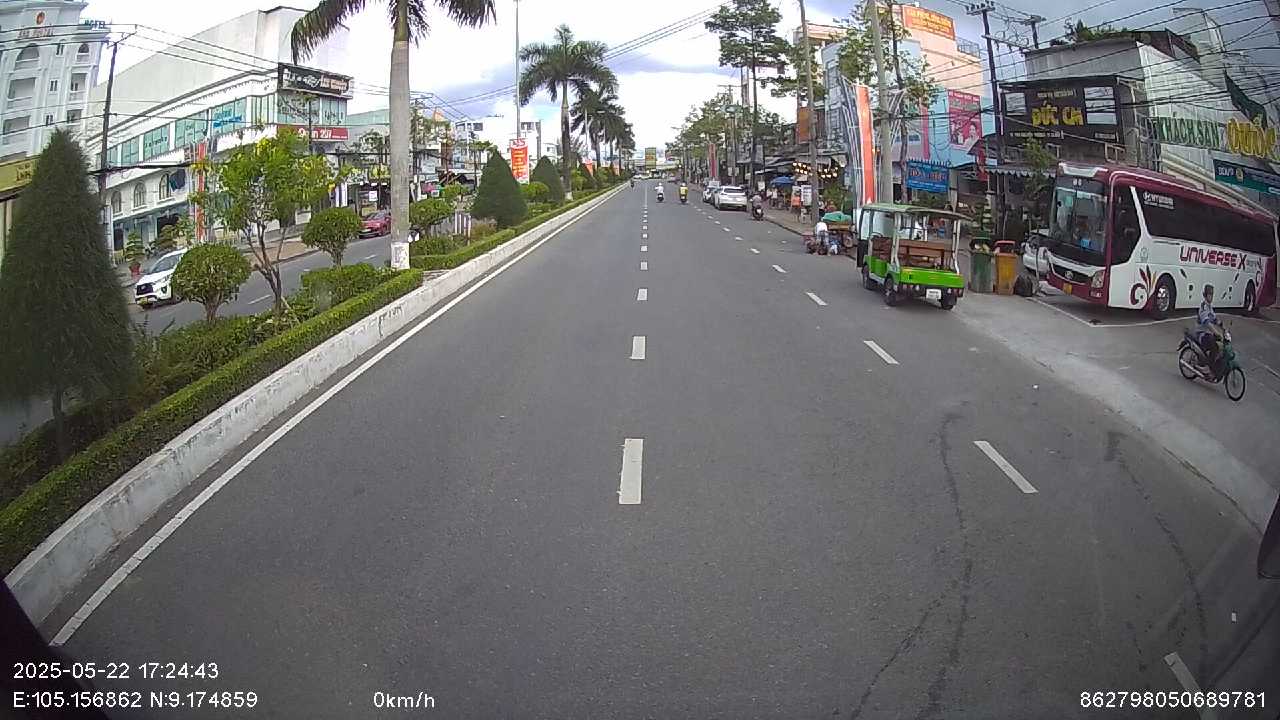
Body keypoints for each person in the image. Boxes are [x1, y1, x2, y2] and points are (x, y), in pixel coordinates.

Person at [1197, 284, 1224, 368]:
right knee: (1214, 346)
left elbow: (1214, 319)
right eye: (1209, 294)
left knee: (1221, 345)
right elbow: (1207, 322)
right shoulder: (1203, 307)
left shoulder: (1210, 307)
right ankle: (1208, 367)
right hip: (1201, 334)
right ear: (1205, 295)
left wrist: (1222, 326)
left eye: (1212, 294)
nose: (1211, 297)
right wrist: (1216, 332)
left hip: (1207, 333)